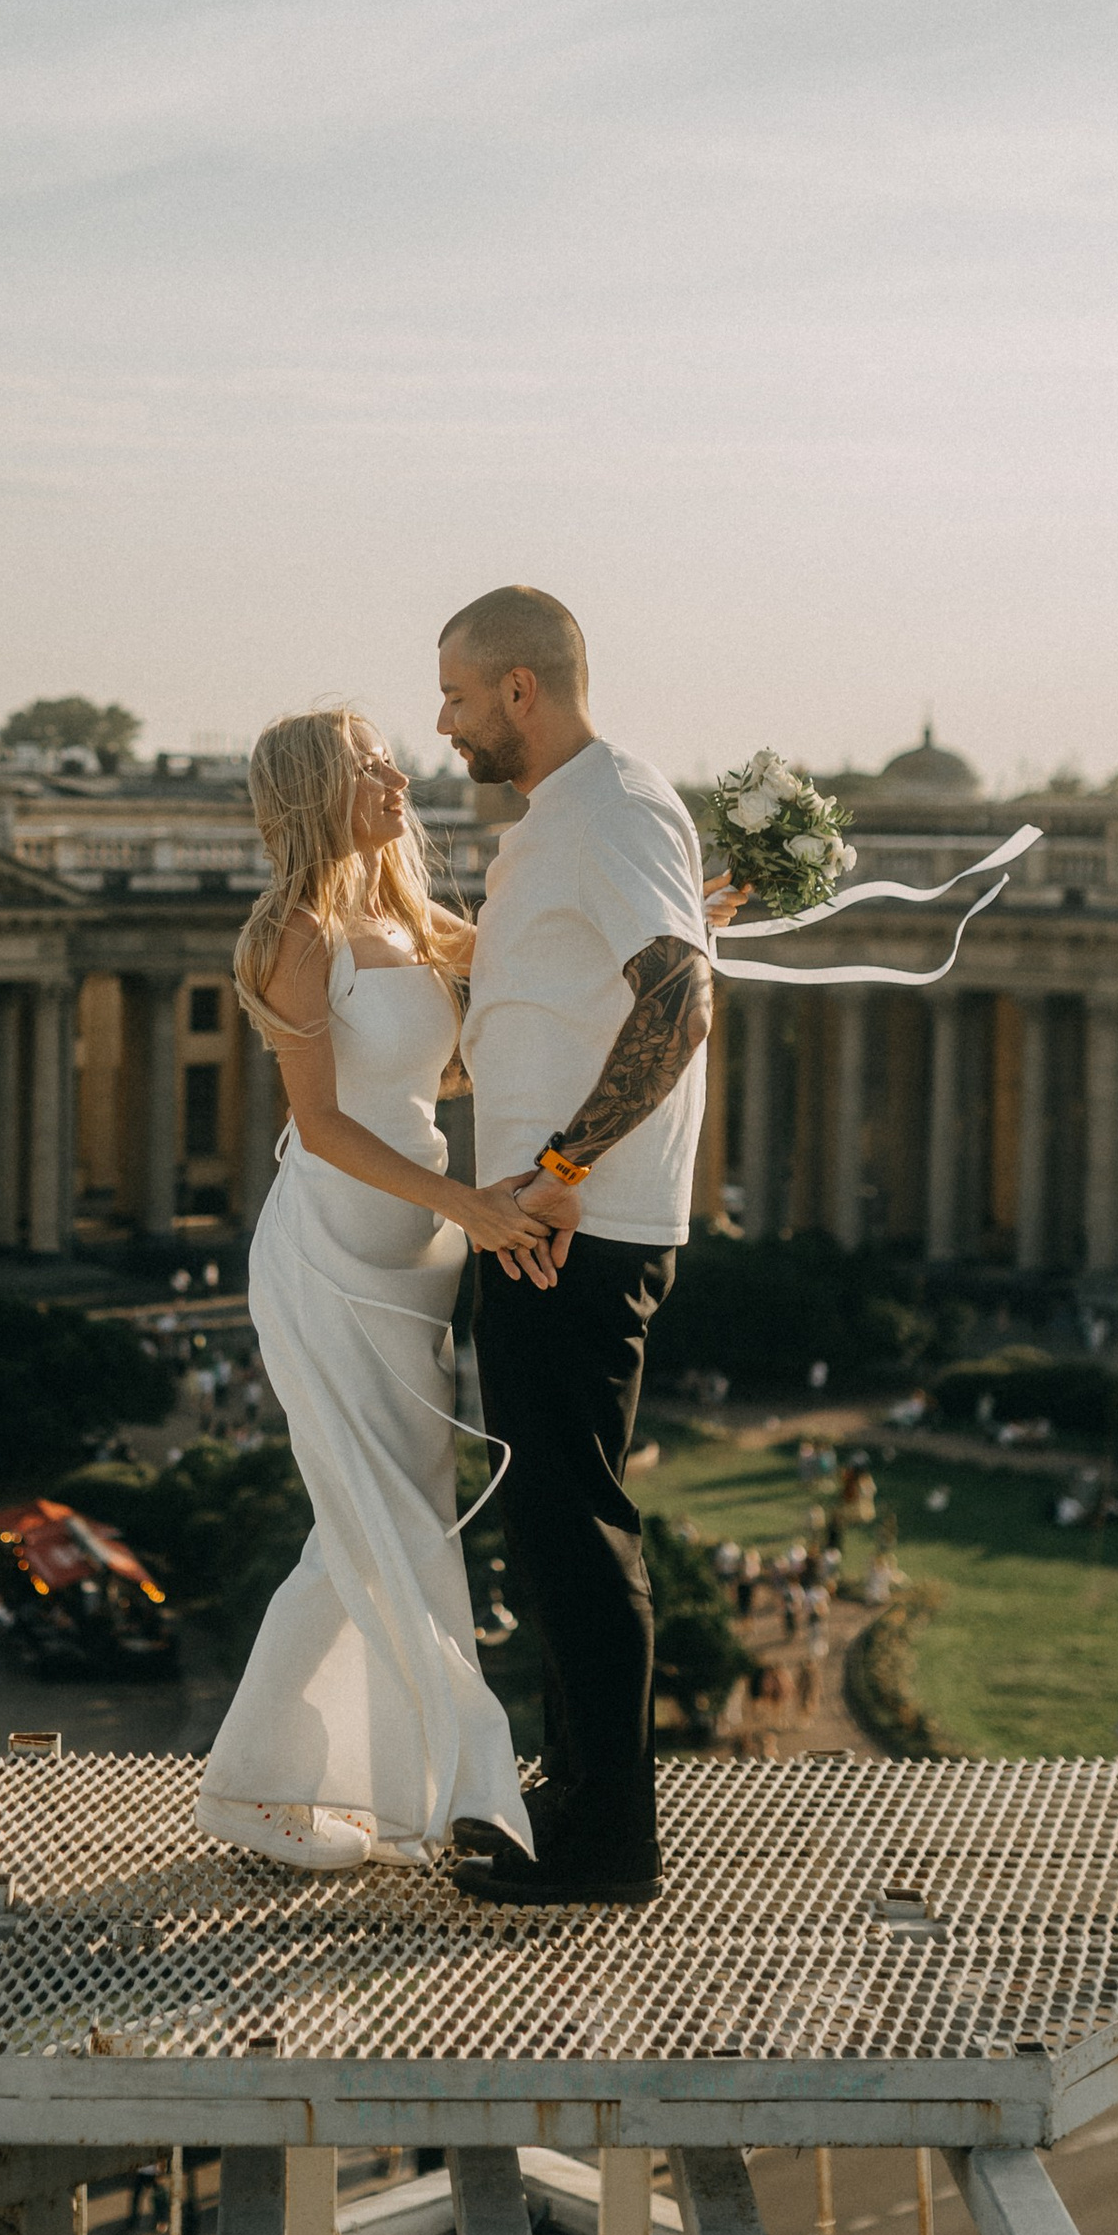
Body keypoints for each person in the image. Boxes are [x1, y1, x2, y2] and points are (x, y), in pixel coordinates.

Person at [193, 708, 555, 1876]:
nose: (399, 773)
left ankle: (265, 1782)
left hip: (418, 1249)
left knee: (367, 1522)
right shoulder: (299, 932)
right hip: (338, 1247)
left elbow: (529, 950)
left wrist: (677, 916)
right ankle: (460, 1785)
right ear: (316, 791)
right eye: (368, 765)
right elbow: (324, 1126)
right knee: (385, 1520)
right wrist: (474, 1206)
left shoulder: (401, 912)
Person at [432, 585, 733, 1909]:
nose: (440, 723)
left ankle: (608, 1843)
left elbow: (680, 997)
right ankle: (570, 1793)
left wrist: (561, 1170)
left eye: (455, 694)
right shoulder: (585, 814)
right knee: (550, 1522)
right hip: (555, 1214)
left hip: (575, 1226)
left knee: (574, 1523)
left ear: (519, 690)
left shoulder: (604, 806)